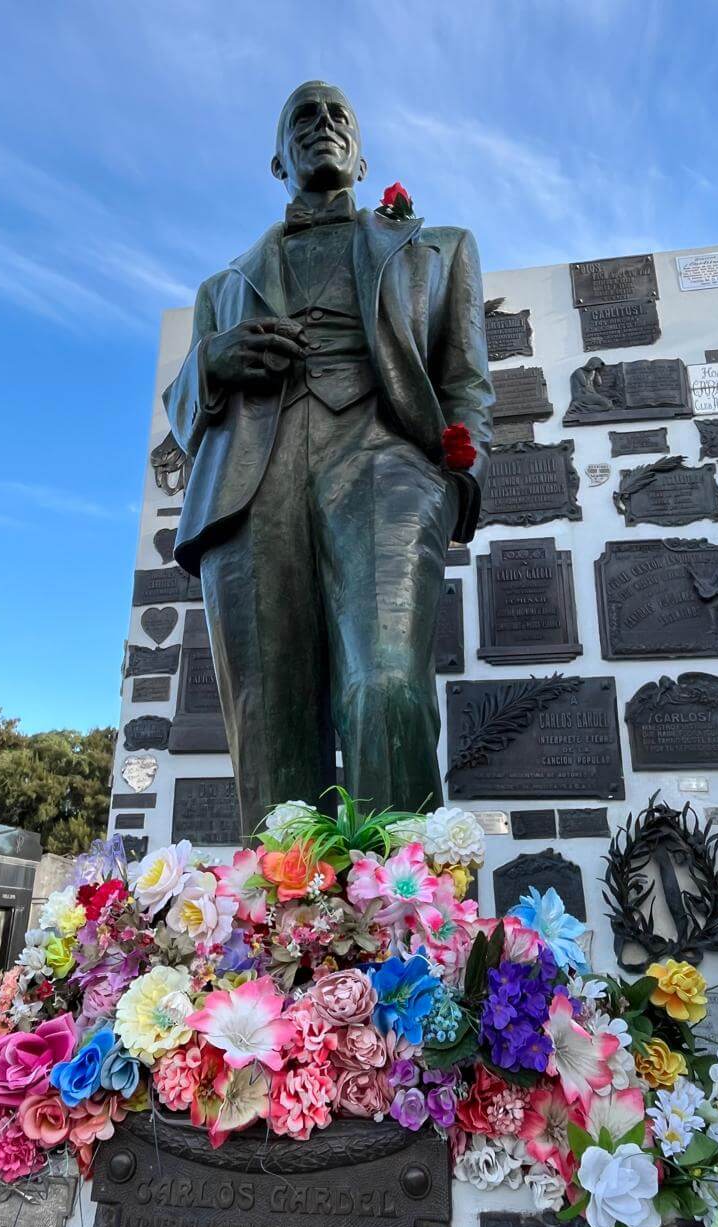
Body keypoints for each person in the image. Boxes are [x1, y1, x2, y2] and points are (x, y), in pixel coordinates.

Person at [164, 82, 493, 839]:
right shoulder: (222, 287)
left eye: (338, 115)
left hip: (385, 458)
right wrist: (212, 362)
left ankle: (404, 918)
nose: (321, 126)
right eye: (302, 119)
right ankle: (291, 942)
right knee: (268, 716)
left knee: (385, 685)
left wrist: (463, 473)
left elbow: (466, 376)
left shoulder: (438, 249)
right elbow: (184, 414)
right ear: (277, 161)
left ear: (363, 155)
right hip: (251, 482)